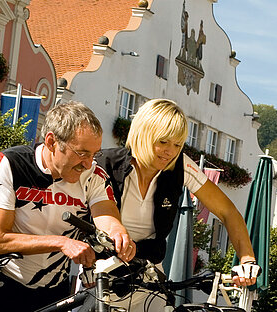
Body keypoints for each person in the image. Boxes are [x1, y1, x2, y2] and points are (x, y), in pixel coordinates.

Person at [90, 98, 261, 310]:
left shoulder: (181, 166)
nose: (170, 151)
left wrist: (247, 260)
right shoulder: (104, 163)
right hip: (101, 273)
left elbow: (228, 211)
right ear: (143, 134)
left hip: (149, 274)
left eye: (178, 144)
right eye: (163, 142)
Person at [0, 101, 134, 312]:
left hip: (55, 289)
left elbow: (106, 214)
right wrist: (61, 243)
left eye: (94, 154)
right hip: (6, 284)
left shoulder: (94, 175)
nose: (88, 164)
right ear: (52, 142)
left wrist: (118, 233)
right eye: (81, 153)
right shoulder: (9, 163)